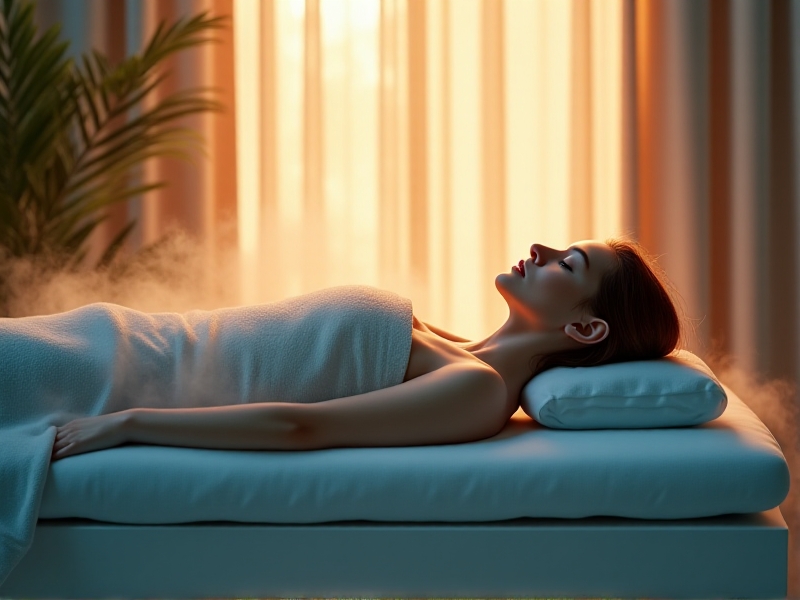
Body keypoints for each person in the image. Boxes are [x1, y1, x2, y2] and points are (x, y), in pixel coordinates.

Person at [51, 237, 681, 460]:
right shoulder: (453, 346)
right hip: (123, 338)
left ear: (586, 330)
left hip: (123, 380)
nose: (541, 249)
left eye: (567, 265)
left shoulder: (479, 389)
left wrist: (128, 423)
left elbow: (301, 427)